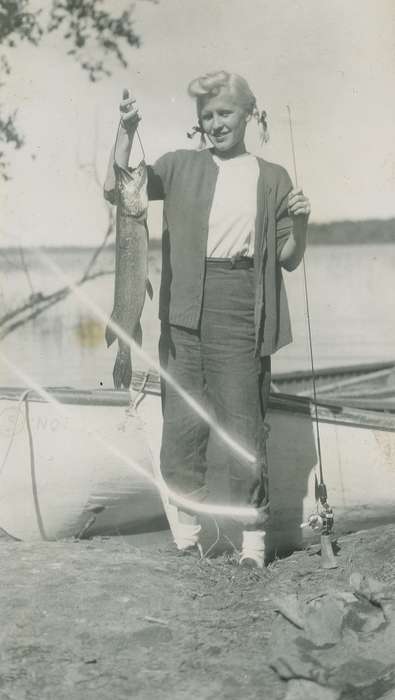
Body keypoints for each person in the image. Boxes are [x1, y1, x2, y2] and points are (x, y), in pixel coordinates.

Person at [104, 71, 310, 568]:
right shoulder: (178, 165)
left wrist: (301, 221)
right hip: (182, 308)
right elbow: (117, 189)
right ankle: (187, 540)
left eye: (225, 114)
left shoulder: (273, 175)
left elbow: (288, 257)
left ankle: (253, 546)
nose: (216, 124)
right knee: (182, 427)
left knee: (243, 426)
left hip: (241, 304)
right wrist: (127, 131)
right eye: (207, 117)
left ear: (247, 114)